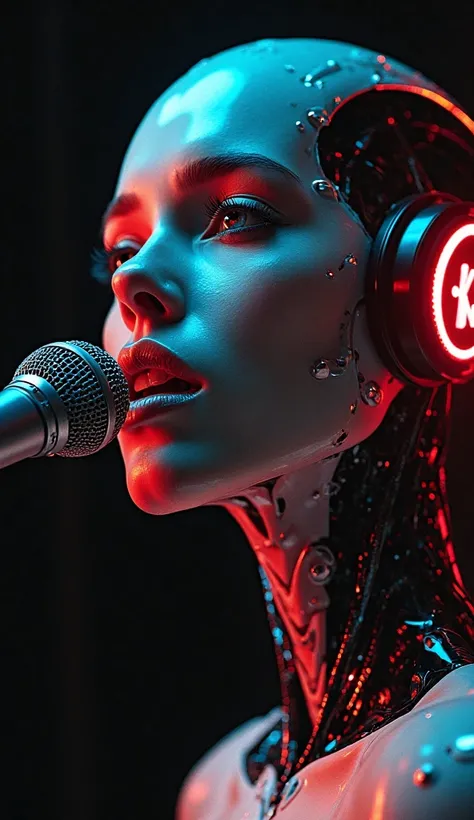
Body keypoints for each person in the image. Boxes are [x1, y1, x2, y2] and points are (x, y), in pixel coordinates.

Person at [91, 38, 474, 818]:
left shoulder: (443, 769)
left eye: (234, 216)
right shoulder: (221, 788)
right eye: (122, 248)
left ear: (423, 280)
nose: (133, 282)